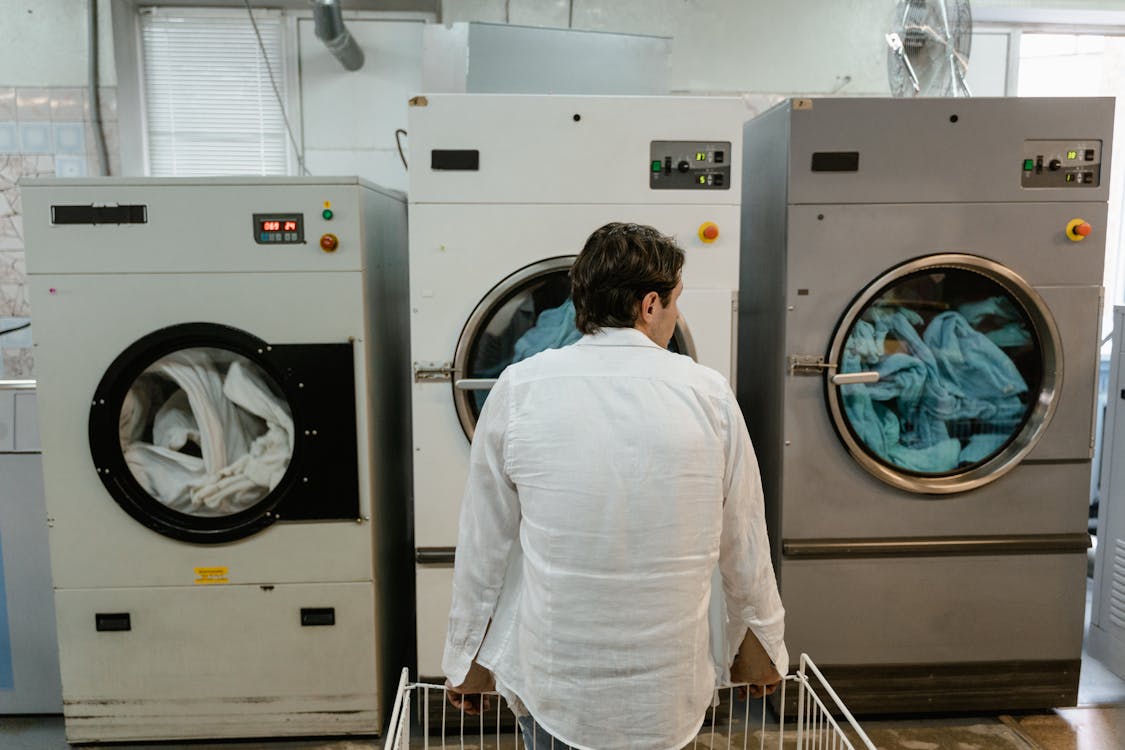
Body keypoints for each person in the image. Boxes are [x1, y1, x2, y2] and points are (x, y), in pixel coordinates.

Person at [442, 222, 788, 750]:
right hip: (667, 687)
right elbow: (743, 536)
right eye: (674, 303)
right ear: (650, 305)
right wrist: (763, 644)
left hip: (558, 683)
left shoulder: (519, 389)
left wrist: (466, 659)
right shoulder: (708, 393)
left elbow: (483, 547)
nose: (673, 318)